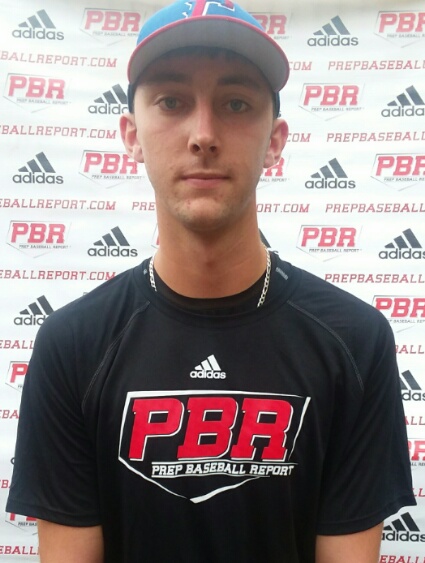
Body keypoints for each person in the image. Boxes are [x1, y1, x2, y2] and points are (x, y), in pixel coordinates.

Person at [7, 1, 415, 562]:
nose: (203, 134)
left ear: (275, 140)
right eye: (172, 101)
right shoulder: (72, 344)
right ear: (131, 135)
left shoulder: (355, 340)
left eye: (236, 103)